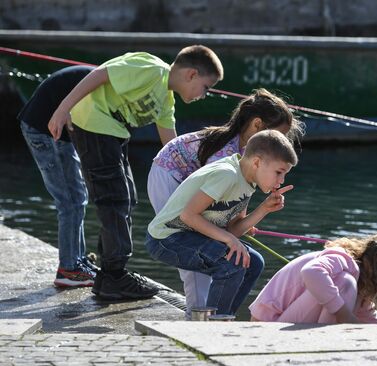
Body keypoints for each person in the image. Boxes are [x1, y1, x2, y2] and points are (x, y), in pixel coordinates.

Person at [48, 45, 224, 300]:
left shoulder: (166, 98)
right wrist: (63, 108)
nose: (204, 95)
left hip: (114, 133)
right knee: (114, 199)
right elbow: (101, 74)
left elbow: (171, 145)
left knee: (127, 198)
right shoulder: (151, 70)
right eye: (206, 87)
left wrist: (194, 180)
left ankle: (109, 274)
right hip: (94, 124)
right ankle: (114, 276)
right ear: (191, 74)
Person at [147, 88, 304, 319]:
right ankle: (205, 318)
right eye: (279, 172)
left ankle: (222, 316)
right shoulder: (227, 168)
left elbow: (232, 226)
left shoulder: (248, 174)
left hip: (197, 205)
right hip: (169, 196)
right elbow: (191, 216)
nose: (281, 181)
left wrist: (259, 212)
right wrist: (228, 237)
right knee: (217, 258)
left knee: (246, 259)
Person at [18, 65, 98, 287]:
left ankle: (79, 261)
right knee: (69, 202)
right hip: (43, 131)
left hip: (59, 133)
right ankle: (68, 269)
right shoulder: (103, 83)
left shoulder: (104, 78)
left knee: (78, 197)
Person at [249, 231, 377, 324]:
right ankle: (327, 339)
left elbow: (369, 322)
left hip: (283, 322)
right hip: (267, 325)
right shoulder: (342, 258)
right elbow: (311, 272)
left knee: (350, 290)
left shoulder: (360, 285)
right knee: (344, 283)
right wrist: (344, 315)